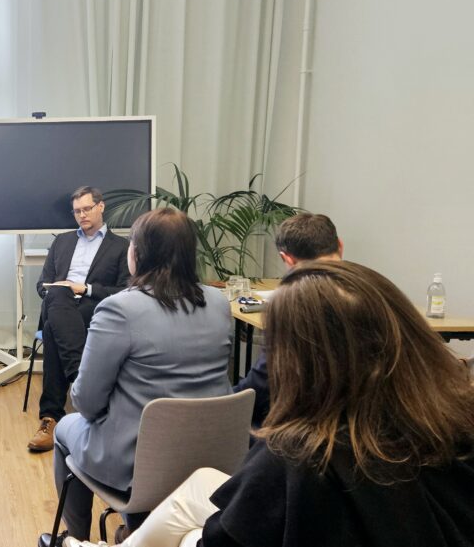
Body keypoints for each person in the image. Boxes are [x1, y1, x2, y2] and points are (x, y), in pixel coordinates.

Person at [64, 261, 474, 547]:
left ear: (296, 361)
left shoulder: (297, 456)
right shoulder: (453, 420)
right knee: (200, 484)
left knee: (187, 532)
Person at [43, 208, 232, 546]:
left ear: (138, 254)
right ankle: (134, 531)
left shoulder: (120, 309)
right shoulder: (219, 303)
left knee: (63, 429)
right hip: (210, 456)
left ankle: (77, 539)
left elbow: (86, 403)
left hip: (138, 464)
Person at [29, 186, 130, 452]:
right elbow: (42, 285)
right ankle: (78, 376)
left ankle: (50, 417)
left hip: (93, 308)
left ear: (101, 207)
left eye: (87, 209)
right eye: (77, 211)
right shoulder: (61, 241)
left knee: (52, 328)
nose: (82, 215)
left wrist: (85, 289)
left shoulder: (121, 246)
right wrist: (59, 290)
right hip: (59, 303)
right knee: (57, 297)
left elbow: (125, 291)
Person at [233, 212, 343, 428]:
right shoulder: (376, 290)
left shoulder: (292, 304)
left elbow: (264, 382)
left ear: (287, 259)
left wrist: (226, 401)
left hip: (308, 425)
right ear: (340, 245)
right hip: (375, 423)